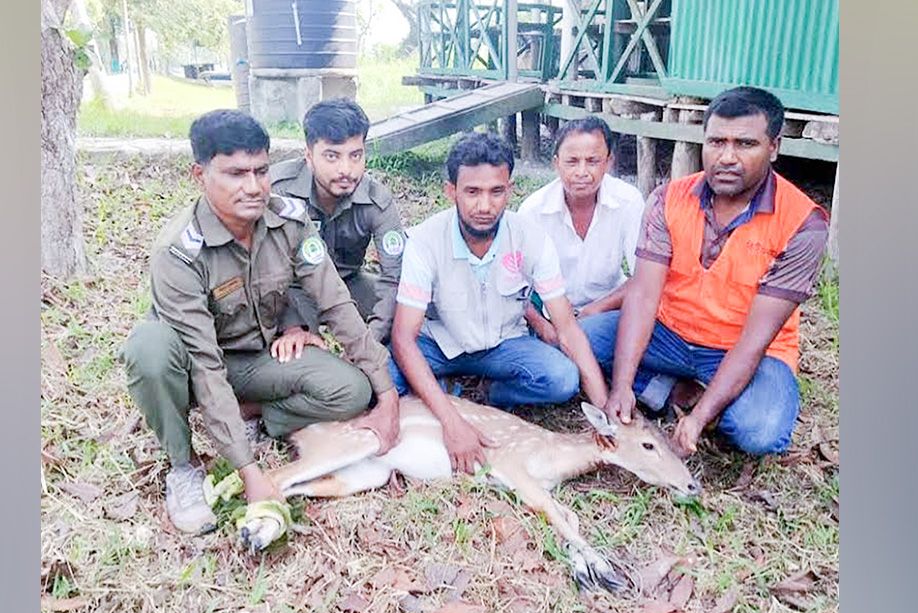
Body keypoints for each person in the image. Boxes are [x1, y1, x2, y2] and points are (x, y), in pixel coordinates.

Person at [119, 110, 400, 535]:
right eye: (235, 174)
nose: (253, 187)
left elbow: (337, 303)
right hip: (193, 368)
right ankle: (183, 465)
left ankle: (251, 416)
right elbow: (204, 363)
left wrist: (387, 395)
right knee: (148, 349)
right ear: (200, 174)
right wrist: (251, 473)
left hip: (256, 357)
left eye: (261, 171)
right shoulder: (178, 253)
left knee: (352, 390)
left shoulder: (289, 221)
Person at [604, 86, 830, 458]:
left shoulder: (804, 224)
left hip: (744, 349)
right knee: (577, 343)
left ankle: (697, 395)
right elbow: (643, 296)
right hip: (669, 335)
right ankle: (674, 390)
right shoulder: (668, 198)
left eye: (745, 144)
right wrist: (621, 386)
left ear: (774, 147)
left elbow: (755, 341)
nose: (726, 157)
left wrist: (699, 418)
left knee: (759, 431)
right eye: (716, 142)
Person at [389, 131, 610, 474]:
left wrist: (606, 410)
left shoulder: (531, 237)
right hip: (441, 345)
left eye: (496, 191)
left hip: (504, 344)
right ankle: (448, 392)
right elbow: (404, 337)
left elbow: (566, 327)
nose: (484, 206)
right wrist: (452, 422)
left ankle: (489, 393)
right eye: (472, 192)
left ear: (510, 189)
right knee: (386, 379)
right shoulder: (424, 241)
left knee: (562, 379)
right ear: (451, 191)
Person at [516, 115, 674, 411]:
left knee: (638, 329)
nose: (582, 172)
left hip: (608, 311)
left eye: (592, 161)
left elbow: (643, 278)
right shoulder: (532, 211)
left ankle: (616, 374)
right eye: (572, 161)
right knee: (561, 354)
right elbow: (517, 289)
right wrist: (543, 325)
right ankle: (652, 386)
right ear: (556, 163)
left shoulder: (628, 201)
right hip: (552, 316)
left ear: (609, 162)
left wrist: (594, 310)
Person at [270, 98, 407, 343]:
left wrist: (371, 340)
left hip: (349, 282)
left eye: (355, 155)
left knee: (412, 313)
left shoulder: (376, 200)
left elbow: (393, 276)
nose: (346, 169)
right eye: (332, 156)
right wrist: (292, 324)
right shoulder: (279, 190)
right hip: (295, 289)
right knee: (300, 351)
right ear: (309, 156)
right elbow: (263, 269)